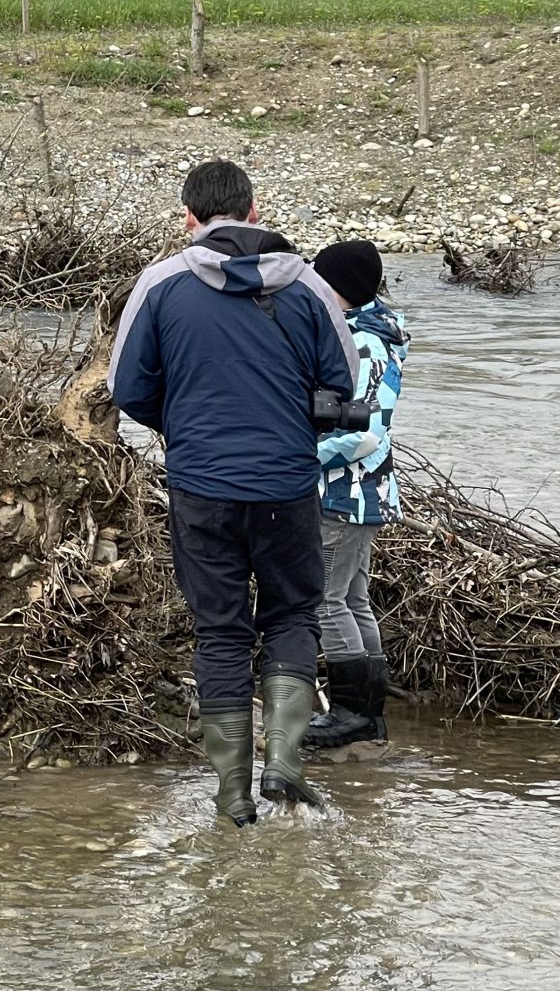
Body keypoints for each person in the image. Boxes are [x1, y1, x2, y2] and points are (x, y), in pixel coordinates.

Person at [108, 161, 358, 825]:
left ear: (188, 218)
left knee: (220, 632)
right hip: (286, 484)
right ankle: (283, 764)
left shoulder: (158, 283)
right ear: (255, 210)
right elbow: (342, 387)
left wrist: (185, 426)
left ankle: (231, 798)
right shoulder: (308, 285)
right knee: (292, 618)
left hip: (201, 486)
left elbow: (126, 388)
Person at [304, 241, 410, 751]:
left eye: (320, 280)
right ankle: (369, 713)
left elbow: (365, 433)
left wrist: (302, 457)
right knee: (351, 598)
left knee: (326, 599)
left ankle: (351, 712)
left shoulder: (362, 344)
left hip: (345, 494)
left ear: (337, 287)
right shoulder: (379, 333)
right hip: (368, 494)